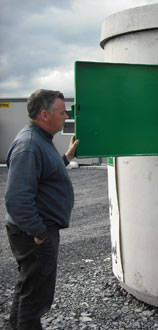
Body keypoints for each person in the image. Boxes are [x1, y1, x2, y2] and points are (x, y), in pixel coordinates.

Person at [4, 89, 79, 330]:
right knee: (36, 296)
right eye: (61, 111)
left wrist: (66, 158)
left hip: (36, 230)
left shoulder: (39, 140)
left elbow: (46, 172)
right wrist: (37, 232)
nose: (66, 115)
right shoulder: (29, 145)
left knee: (28, 286)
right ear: (44, 115)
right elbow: (17, 198)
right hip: (35, 232)